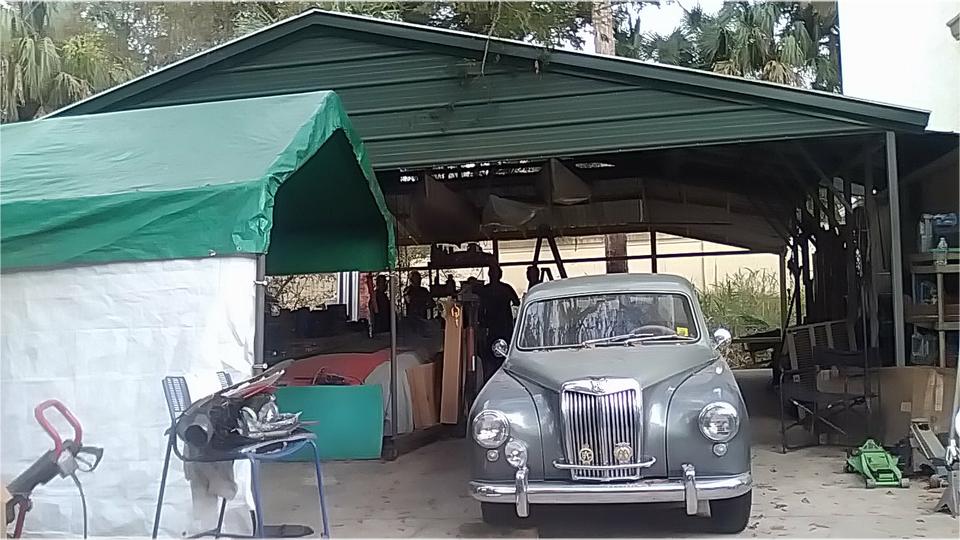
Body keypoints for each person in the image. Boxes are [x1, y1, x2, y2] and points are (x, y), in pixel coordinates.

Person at [479, 265, 520, 382]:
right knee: (499, 354)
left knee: (497, 355)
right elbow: (517, 303)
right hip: (499, 326)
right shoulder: (505, 289)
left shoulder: (486, 290)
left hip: (498, 325)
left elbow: (516, 303)